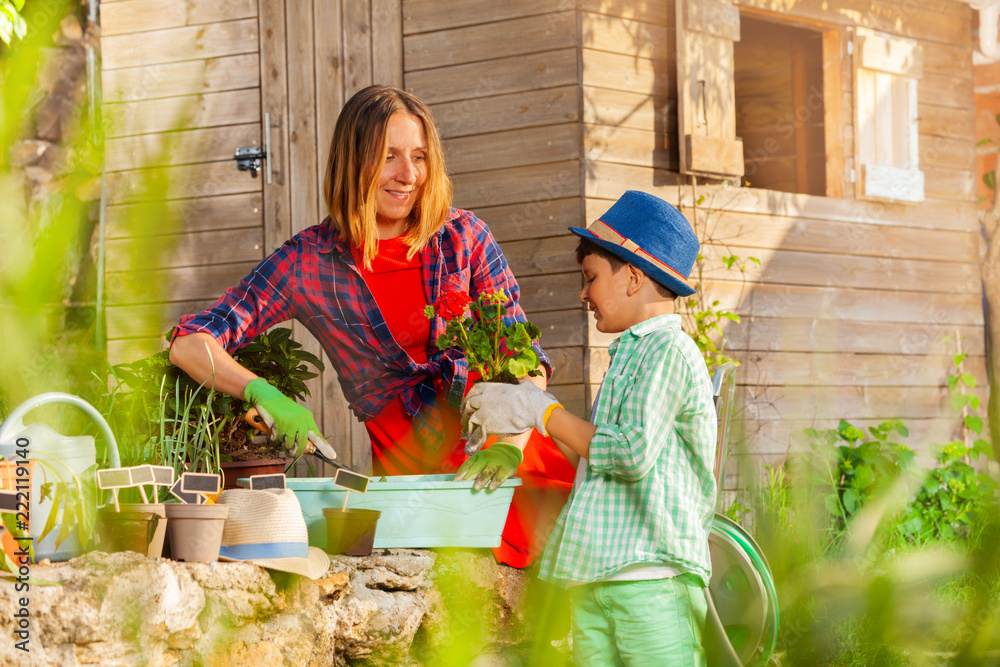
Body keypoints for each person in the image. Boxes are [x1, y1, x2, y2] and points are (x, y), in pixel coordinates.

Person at [169, 85, 574, 567]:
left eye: (420, 157)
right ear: (353, 163)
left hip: (509, 470)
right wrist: (263, 393)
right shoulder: (310, 262)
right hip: (419, 494)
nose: (408, 175)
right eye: (389, 157)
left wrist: (508, 448)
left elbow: (526, 362)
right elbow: (190, 343)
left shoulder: (464, 239)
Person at [461, 191, 717, 665]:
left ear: (634, 278)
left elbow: (628, 455)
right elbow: (594, 460)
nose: (583, 294)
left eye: (591, 278)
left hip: (651, 581)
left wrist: (542, 411)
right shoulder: (628, 356)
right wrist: (525, 417)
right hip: (599, 576)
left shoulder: (669, 352)